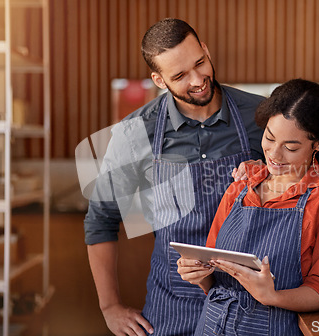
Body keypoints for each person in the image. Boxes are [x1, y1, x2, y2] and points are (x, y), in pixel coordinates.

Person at [84, 18, 265, 336]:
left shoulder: (261, 117)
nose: (198, 80)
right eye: (180, 76)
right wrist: (109, 307)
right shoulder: (135, 133)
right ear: (158, 79)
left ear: (206, 50)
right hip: (171, 310)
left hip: (251, 305)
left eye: (200, 63)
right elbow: (101, 220)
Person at [177, 79, 319, 335]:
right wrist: (197, 272)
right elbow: (213, 271)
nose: (274, 154)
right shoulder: (240, 186)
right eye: (269, 138)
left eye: (291, 147)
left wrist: (272, 296)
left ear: (318, 144)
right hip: (212, 324)